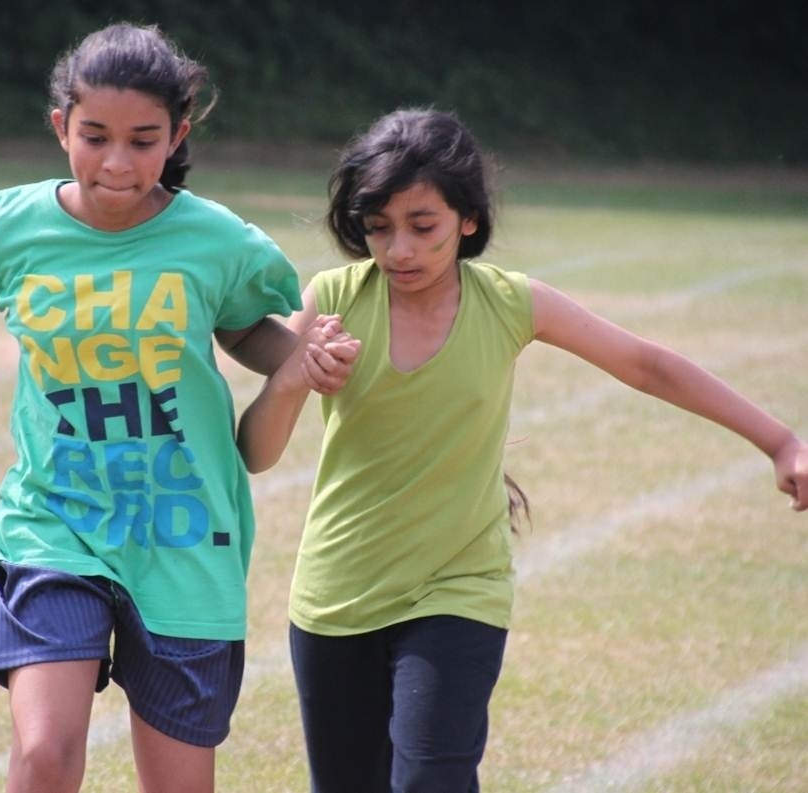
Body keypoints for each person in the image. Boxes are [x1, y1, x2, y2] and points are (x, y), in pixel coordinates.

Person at [0, 23, 347, 793]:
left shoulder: (217, 240)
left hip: (183, 532)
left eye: (143, 140)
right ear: (61, 126)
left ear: (177, 135)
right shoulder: (6, 227)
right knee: (45, 753)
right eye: (95, 136)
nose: (117, 162)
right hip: (55, 520)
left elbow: (249, 332)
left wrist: (304, 359)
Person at [236, 107, 808, 793]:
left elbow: (647, 365)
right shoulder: (332, 301)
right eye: (379, 227)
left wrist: (779, 440)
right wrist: (294, 377)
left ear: (468, 219)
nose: (399, 250)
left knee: (430, 781)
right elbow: (257, 453)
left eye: (423, 226)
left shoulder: (511, 303)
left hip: (457, 589)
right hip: (336, 594)